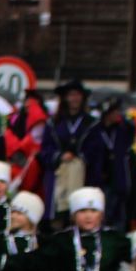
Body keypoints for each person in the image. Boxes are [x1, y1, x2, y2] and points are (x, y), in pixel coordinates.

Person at [38, 80, 98, 220]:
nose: (74, 99)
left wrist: (79, 158)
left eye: (77, 95)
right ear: (65, 98)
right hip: (58, 174)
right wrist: (59, 156)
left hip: (83, 173)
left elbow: (96, 150)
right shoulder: (53, 123)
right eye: (71, 95)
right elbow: (45, 148)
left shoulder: (91, 123)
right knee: (57, 212)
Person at [82, 96, 136, 228]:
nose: (118, 114)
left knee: (119, 215)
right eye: (114, 111)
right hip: (100, 180)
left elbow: (131, 134)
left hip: (119, 179)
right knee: (103, 213)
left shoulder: (122, 129)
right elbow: (86, 152)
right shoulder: (95, 130)